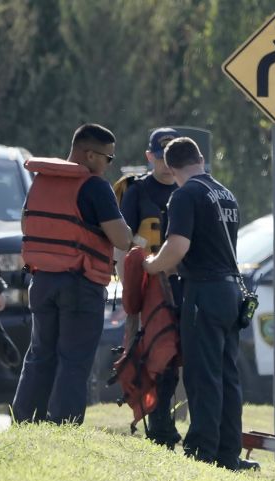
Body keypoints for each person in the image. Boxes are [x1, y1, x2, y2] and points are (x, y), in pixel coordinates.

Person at [142, 137, 257, 471]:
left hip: (204, 292)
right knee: (227, 375)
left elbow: (177, 247)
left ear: (167, 166)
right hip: (231, 292)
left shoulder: (185, 195)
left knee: (202, 375)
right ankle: (228, 452)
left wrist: (151, 265)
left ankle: (201, 450)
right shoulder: (225, 193)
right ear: (201, 158)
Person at [12, 123, 133, 424]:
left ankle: (26, 420)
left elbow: (28, 226)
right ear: (91, 155)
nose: (108, 165)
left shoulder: (42, 181)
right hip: (80, 282)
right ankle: (64, 424)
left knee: (40, 354)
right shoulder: (94, 186)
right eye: (109, 158)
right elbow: (121, 239)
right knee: (74, 358)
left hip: (42, 280)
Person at [119, 127, 182, 448]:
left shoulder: (188, 188)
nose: (166, 164)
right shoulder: (137, 192)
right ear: (150, 157)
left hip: (181, 282)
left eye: (171, 156)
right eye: (160, 156)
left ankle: (164, 420)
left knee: (174, 356)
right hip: (149, 283)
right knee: (152, 354)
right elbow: (125, 245)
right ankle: (158, 421)